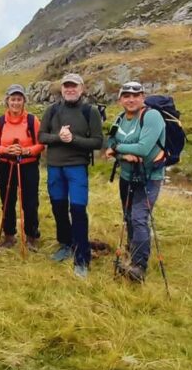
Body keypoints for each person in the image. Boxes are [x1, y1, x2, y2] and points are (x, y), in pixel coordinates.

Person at [38, 73, 104, 279]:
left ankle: (82, 258)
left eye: (74, 86)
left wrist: (73, 139)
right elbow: (41, 136)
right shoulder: (52, 110)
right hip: (55, 167)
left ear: (81, 89)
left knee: (77, 209)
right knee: (58, 208)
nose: (70, 89)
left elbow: (97, 142)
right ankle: (66, 244)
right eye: (66, 86)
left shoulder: (90, 111)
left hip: (77, 167)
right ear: (62, 89)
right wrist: (59, 137)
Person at [105, 81, 166, 283]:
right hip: (127, 176)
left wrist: (118, 150)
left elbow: (144, 148)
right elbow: (110, 143)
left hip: (149, 178)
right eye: (126, 96)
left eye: (135, 95)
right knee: (128, 216)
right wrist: (123, 154)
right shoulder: (120, 118)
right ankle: (133, 249)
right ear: (120, 99)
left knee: (139, 217)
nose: (131, 99)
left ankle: (139, 267)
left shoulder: (152, 116)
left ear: (143, 97)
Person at [0, 84, 44, 251]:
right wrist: (6, 150)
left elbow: (41, 144)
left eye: (19, 99)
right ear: (7, 101)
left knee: (30, 202)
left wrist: (27, 150)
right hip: (6, 165)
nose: (16, 102)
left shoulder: (32, 120)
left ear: (24, 101)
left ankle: (31, 236)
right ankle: (9, 236)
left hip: (28, 165)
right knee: (7, 200)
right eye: (13, 99)